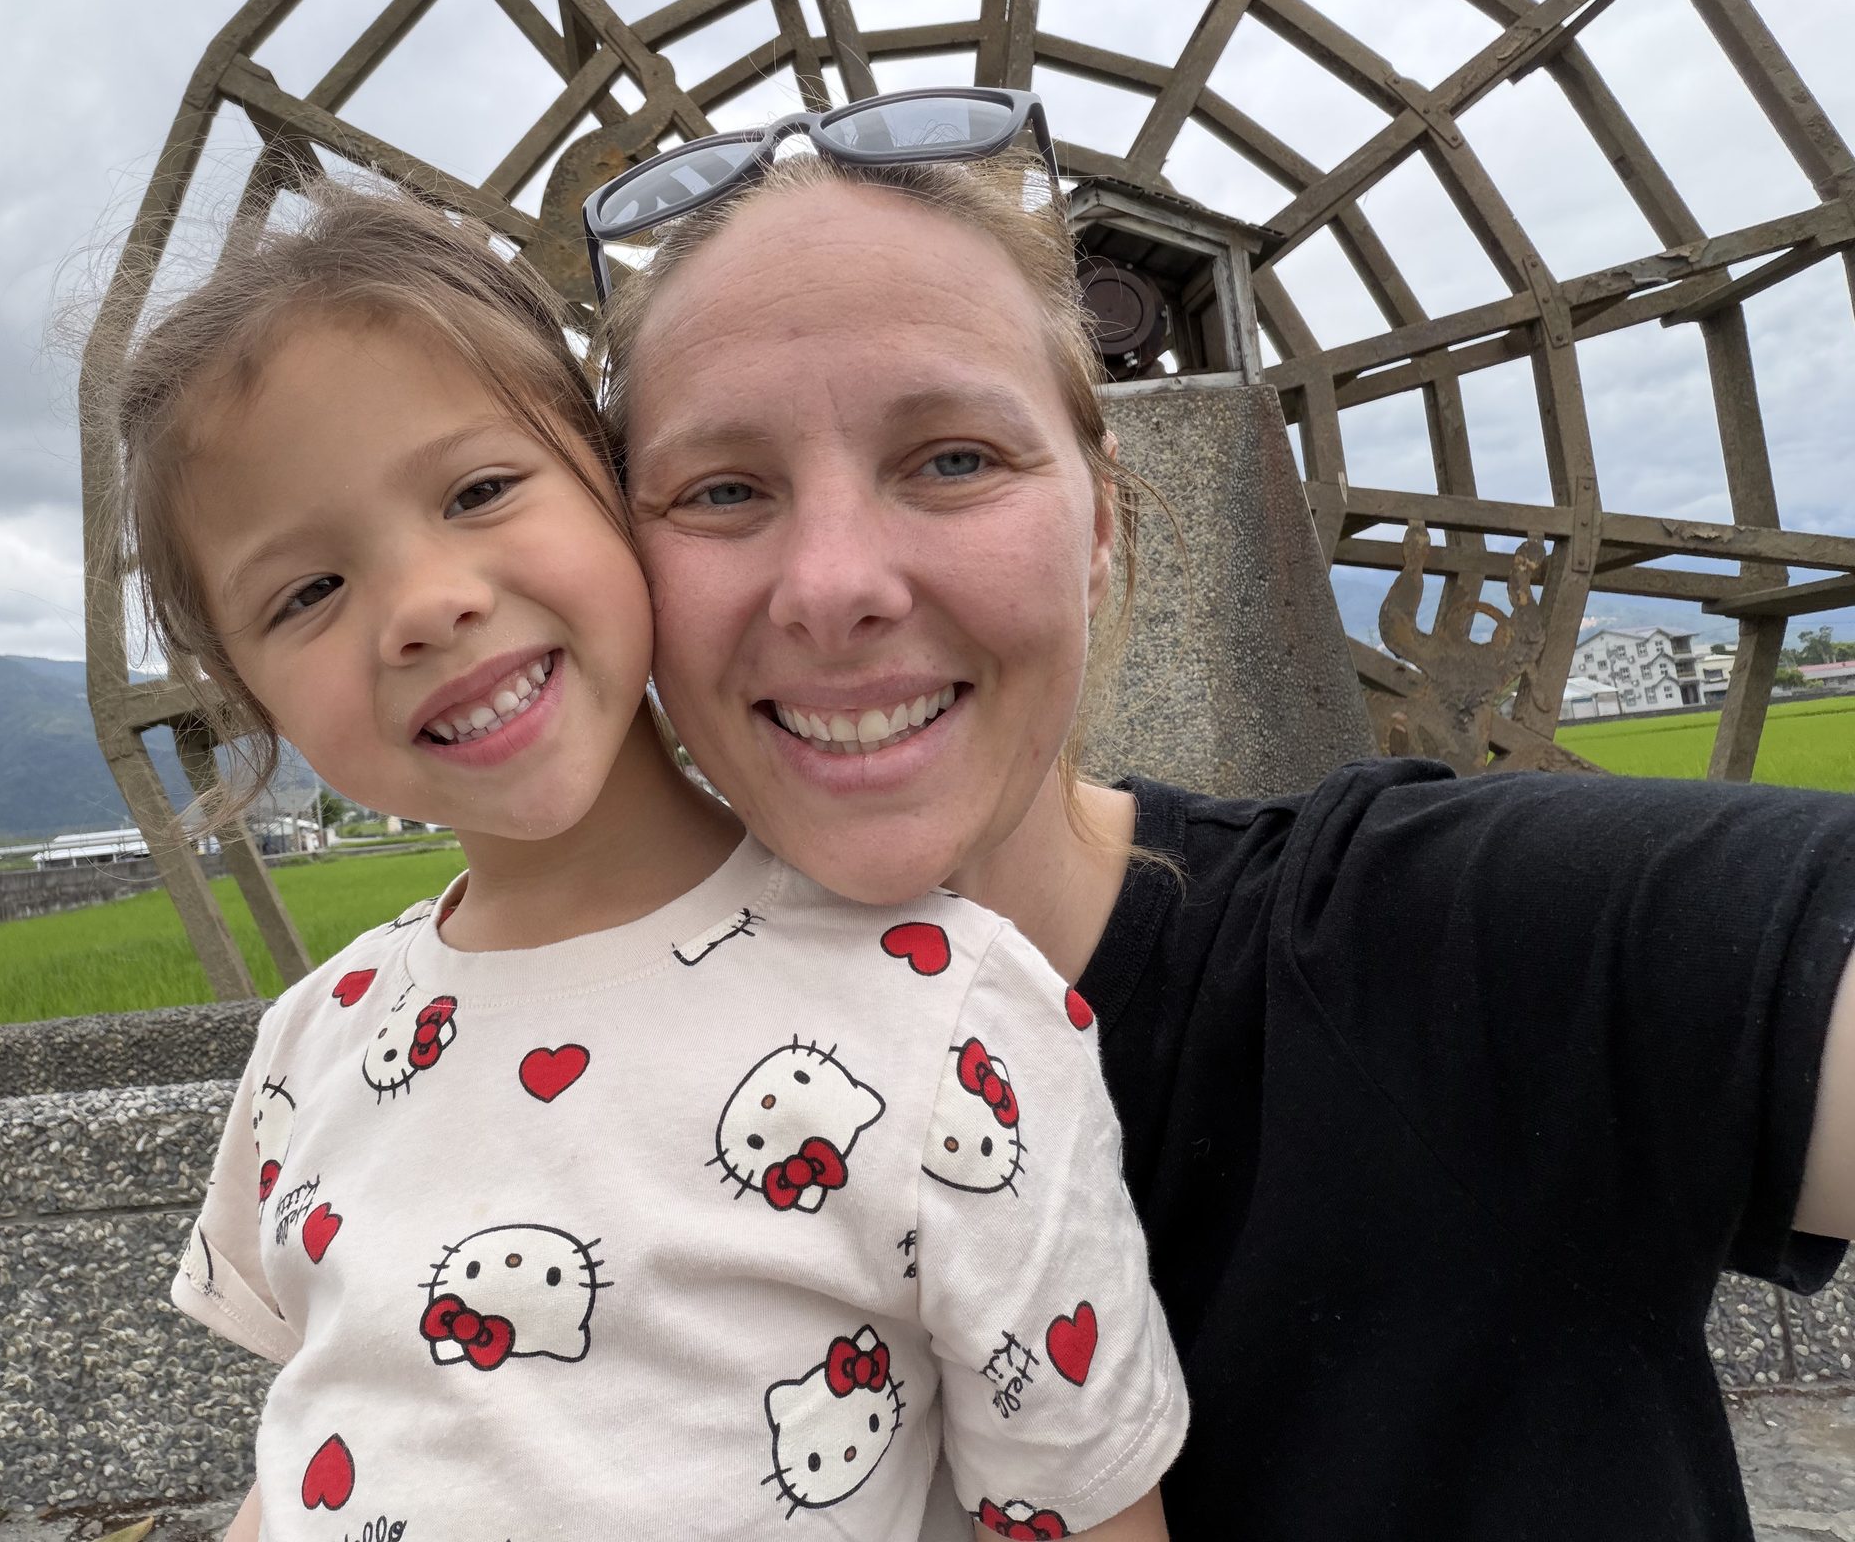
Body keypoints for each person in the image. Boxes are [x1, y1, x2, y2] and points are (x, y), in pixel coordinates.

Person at [585, 91, 1855, 1541]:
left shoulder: (1452, 951)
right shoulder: (515, 1099)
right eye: (722, 489)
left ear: (1102, 524)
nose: (834, 586)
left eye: (955, 459)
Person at [103, 176, 1186, 1539]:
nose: (425, 606)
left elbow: (1079, 1505)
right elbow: (328, 1430)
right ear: (248, 692)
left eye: (481, 491)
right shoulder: (313, 1044)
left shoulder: (956, 1017)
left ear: (622, 500)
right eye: (307, 592)